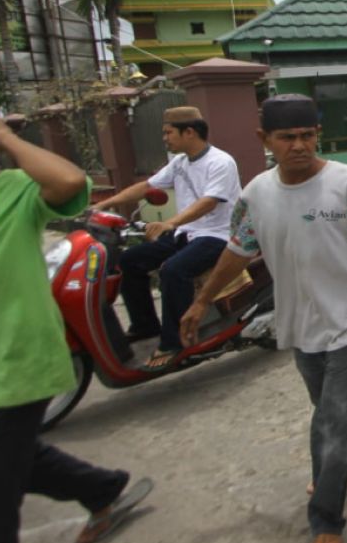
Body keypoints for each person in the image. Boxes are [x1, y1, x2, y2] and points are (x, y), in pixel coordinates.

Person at [179, 94, 347, 543]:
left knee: (330, 419)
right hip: (298, 321)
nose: (299, 145)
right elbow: (236, 251)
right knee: (329, 407)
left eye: (308, 135)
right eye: (287, 137)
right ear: (263, 140)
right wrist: (203, 299)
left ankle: (325, 523)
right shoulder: (256, 194)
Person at [0, 82, 152, 543]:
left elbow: (70, 185)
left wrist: (7, 139)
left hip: (8, 369)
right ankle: (102, 488)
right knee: (11, 460)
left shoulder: (11, 192)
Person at [95, 106, 240, 370]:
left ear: (189, 132)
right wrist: (105, 205)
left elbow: (209, 202)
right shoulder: (180, 162)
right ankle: (145, 325)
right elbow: (147, 186)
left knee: (174, 270)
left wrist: (169, 223)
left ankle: (174, 341)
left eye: (168, 132)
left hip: (217, 235)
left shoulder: (221, 162)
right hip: (187, 233)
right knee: (129, 260)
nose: (164, 138)